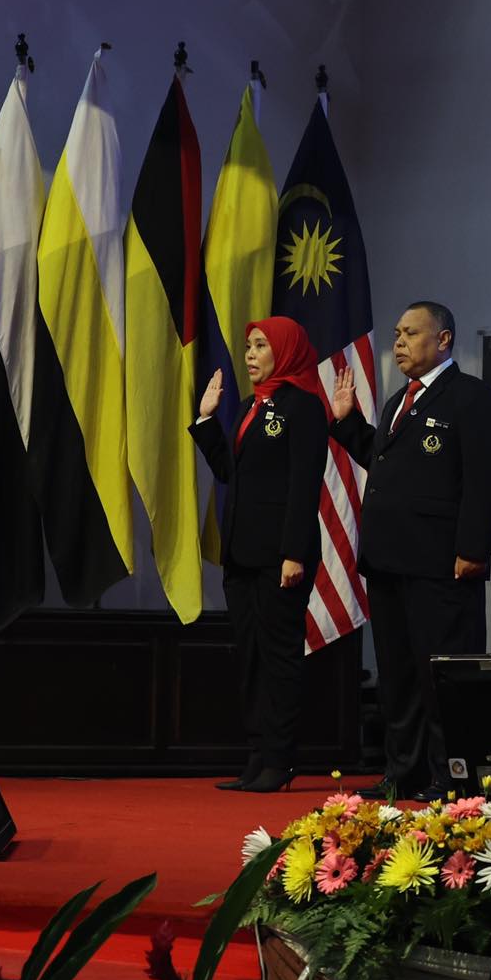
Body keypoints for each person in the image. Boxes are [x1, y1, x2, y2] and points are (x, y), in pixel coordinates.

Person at [330, 301, 491, 800]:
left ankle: (450, 776)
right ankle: (403, 772)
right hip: (390, 562)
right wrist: (348, 425)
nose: (400, 342)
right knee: (399, 675)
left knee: (441, 677)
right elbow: (388, 463)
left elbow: (488, 480)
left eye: (411, 333)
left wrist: (474, 549)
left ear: (444, 339)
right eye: (397, 334)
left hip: (441, 564)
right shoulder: (399, 400)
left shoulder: (470, 397)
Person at [190, 317, 330, 793]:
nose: (250, 354)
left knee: (278, 657)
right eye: (248, 346)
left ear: (285, 351)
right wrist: (207, 421)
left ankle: (280, 759)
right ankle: (256, 756)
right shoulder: (252, 404)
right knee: (250, 657)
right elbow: (231, 472)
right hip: (242, 553)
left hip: (280, 556)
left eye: (261, 346)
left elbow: (304, 484)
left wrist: (293, 552)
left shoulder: (304, 406)